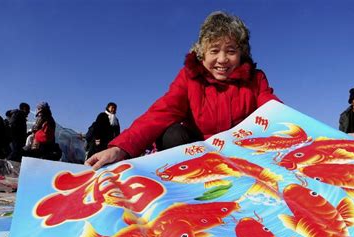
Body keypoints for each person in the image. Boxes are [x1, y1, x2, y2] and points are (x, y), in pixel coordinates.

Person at [86, 11, 280, 169]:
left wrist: (304, 136)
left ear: (241, 54)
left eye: (231, 51)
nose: (222, 59)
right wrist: (121, 148)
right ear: (202, 54)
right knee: (172, 133)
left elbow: (274, 111)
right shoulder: (190, 78)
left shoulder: (254, 79)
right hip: (196, 156)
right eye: (214, 51)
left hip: (239, 154)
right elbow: (161, 112)